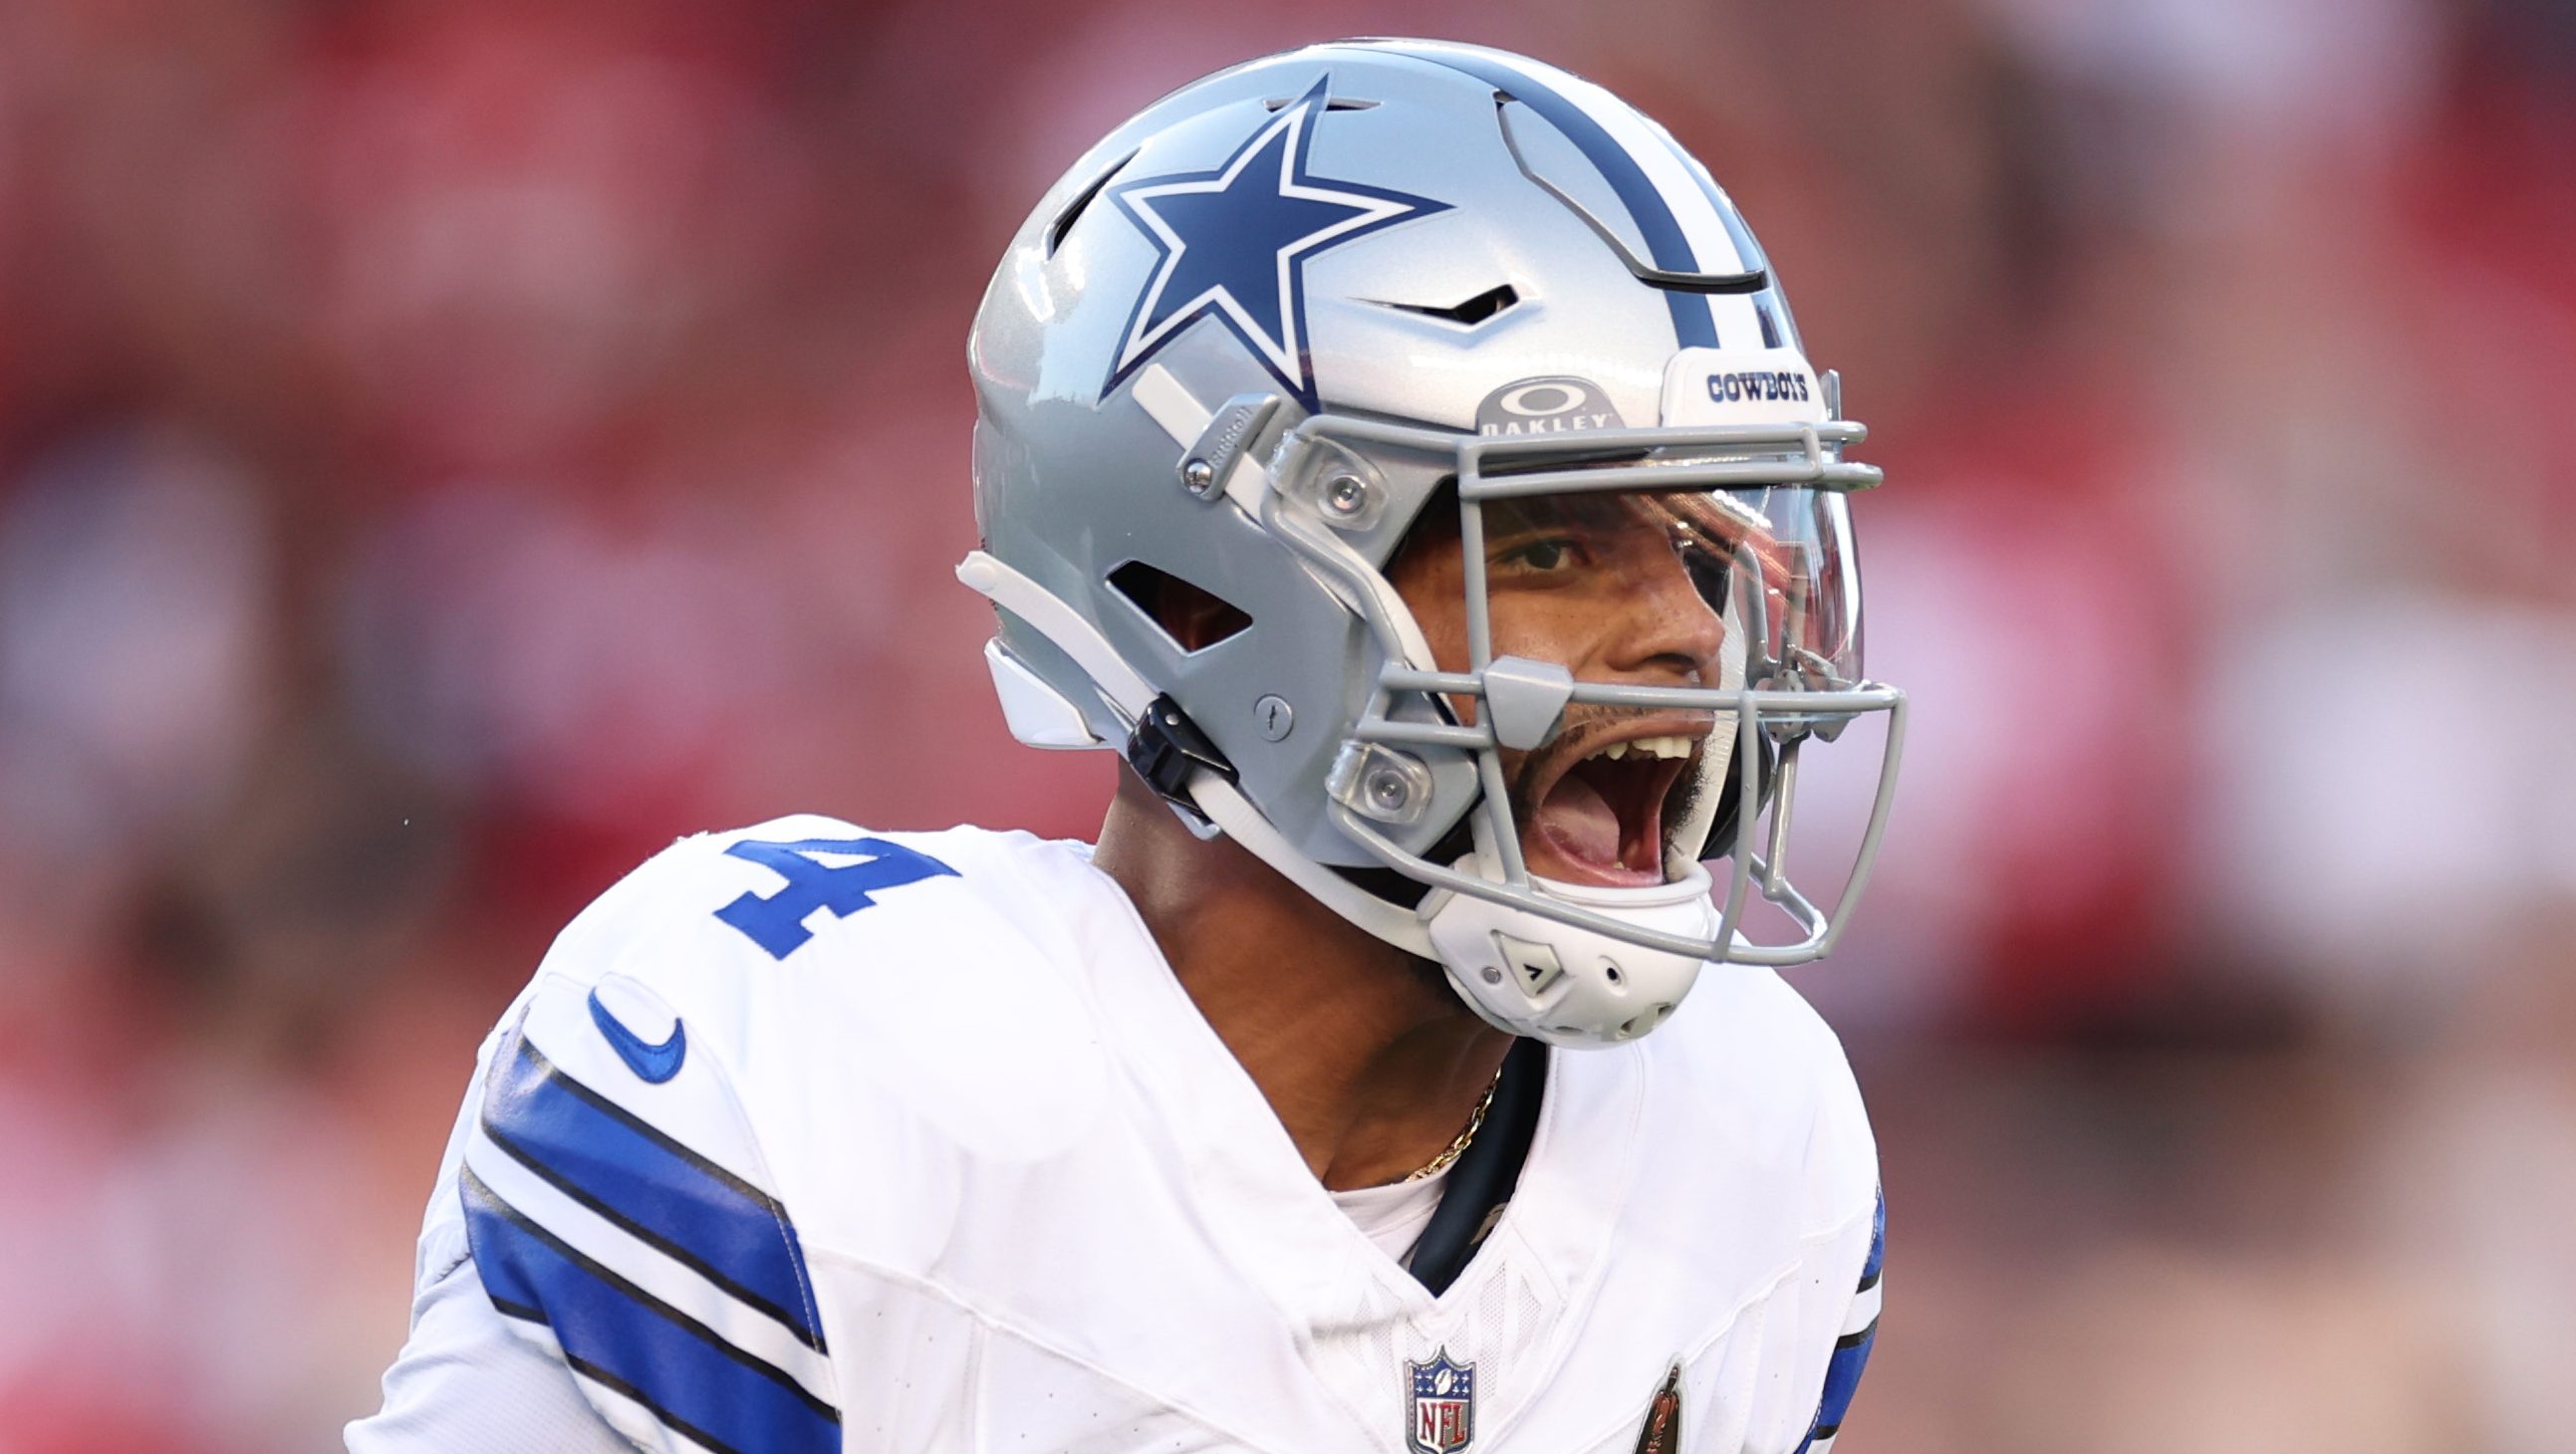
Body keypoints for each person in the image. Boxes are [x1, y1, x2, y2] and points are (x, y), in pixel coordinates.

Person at [349, 38, 1904, 1454]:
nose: (1691, 638)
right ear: (1204, 593)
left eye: (1699, 550)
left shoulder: (1749, 1141)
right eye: (1552, 551)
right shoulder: (825, 1084)